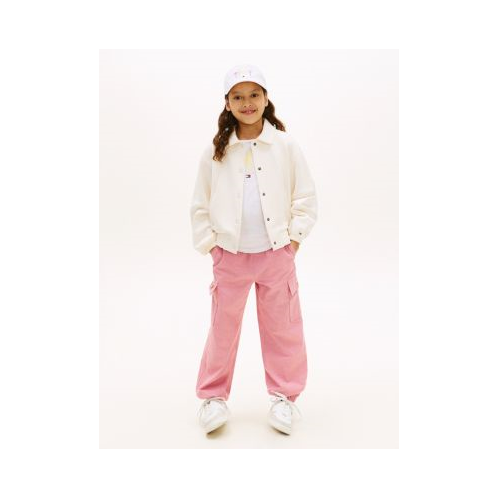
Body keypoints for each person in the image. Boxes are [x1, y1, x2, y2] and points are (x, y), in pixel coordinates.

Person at [190, 64, 318, 435]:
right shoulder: (215, 151)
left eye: (254, 95)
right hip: (229, 257)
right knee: (222, 330)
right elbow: (200, 204)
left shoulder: (285, 145)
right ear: (227, 103)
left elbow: (305, 197)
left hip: (276, 255)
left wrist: (293, 242)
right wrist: (211, 247)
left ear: (265, 98)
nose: (247, 103)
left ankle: (285, 397)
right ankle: (213, 397)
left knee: (283, 329)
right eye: (238, 97)